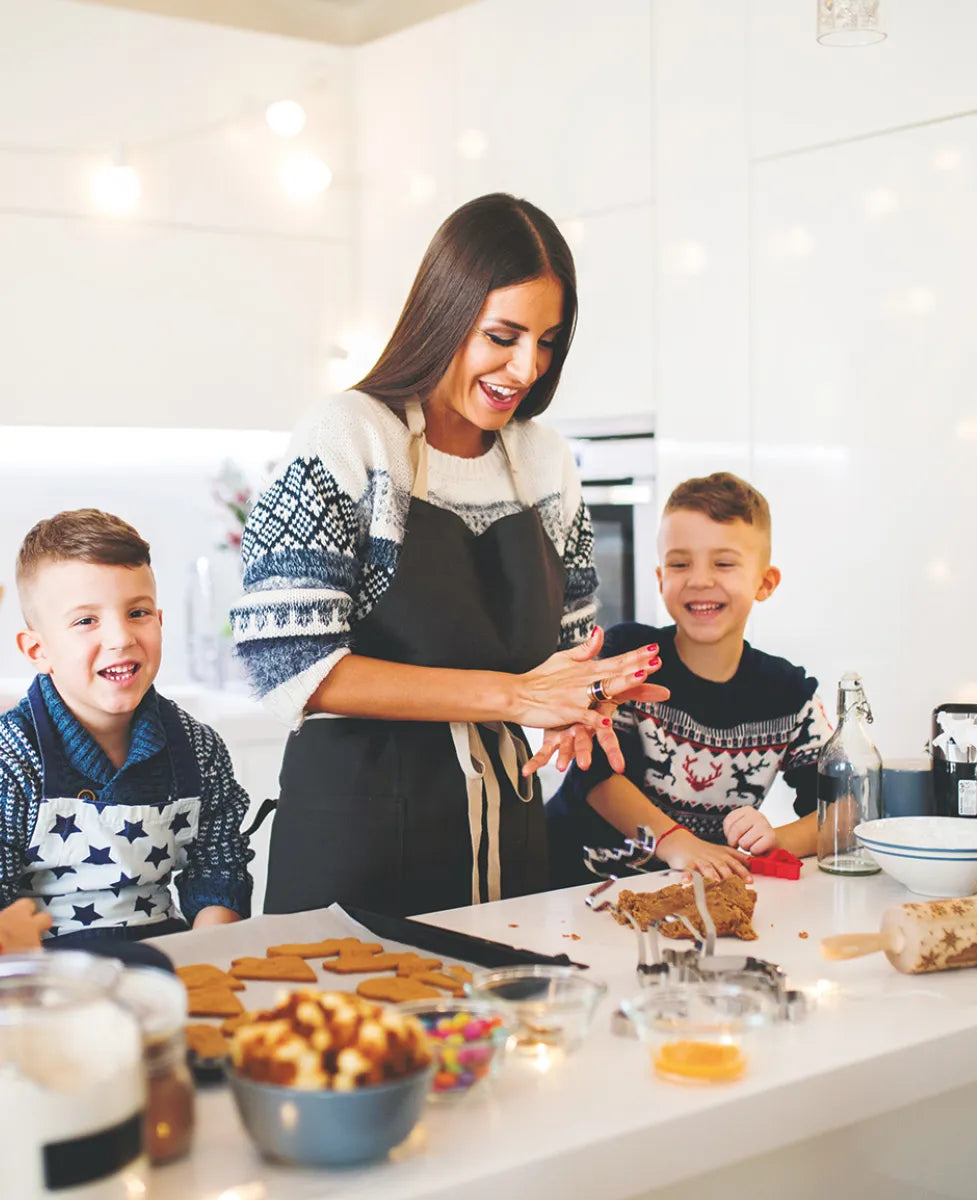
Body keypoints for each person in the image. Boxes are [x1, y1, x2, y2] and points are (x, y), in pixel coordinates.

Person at [231, 192, 665, 918]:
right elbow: (288, 663)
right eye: (504, 335)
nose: (527, 368)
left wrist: (585, 698)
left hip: (509, 841)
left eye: (548, 341)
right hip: (358, 840)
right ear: (445, 311)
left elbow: (566, 653)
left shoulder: (544, 459)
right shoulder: (349, 435)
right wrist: (514, 695)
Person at [546, 472, 832, 885]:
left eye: (724, 563)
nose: (699, 579)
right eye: (680, 563)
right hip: (570, 884)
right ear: (661, 580)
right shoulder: (628, 655)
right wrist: (680, 843)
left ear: (765, 583)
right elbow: (597, 779)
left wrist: (776, 840)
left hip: (684, 890)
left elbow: (845, 806)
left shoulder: (789, 695)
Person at [0, 509, 253, 947]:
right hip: (41, 981)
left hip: (168, 961)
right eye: (86, 621)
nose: (121, 637)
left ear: (160, 621)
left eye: (137, 612)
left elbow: (217, 870)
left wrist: (206, 955)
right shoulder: (11, 757)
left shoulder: (198, 749)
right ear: (38, 650)